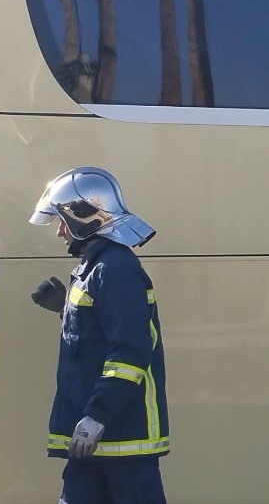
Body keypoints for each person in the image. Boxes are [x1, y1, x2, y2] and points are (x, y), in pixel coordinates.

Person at [29, 166, 169, 504]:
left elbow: (131, 352)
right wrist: (66, 311)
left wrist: (97, 416)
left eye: (63, 222)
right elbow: (100, 337)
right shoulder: (96, 267)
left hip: (119, 438)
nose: (61, 233)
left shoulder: (115, 269)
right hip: (96, 441)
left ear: (83, 219)